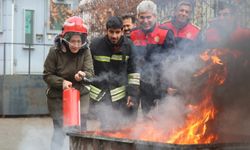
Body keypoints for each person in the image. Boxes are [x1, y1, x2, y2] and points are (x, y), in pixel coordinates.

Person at [43, 16, 94, 150]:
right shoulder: (54, 51)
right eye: (73, 41)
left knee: (80, 130)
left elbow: (90, 72)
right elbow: (47, 75)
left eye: (79, 41)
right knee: (60, 130)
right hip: (58, 95)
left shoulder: (86, 50)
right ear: (65, 38)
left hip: (80, 94)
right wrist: (62, 82)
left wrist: (83, 75)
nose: (76, 45)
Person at [88, 16, 140, 130]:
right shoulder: (95, 45)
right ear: (106, 31)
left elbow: (134, 72)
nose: (114, 36)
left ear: (122, 31)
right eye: (111, 32)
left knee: (121, 128)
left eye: (117, 32)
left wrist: (132, 94)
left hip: (120, 97)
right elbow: (88, 70)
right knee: (105, 128)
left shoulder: (129, 46)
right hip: (99, 97)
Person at [130, 0, 176, 115]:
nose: (145, 21)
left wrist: (169, 85)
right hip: (139, 82)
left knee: (158, 118)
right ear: (138, 17)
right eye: (142, 17)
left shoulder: (165, 33)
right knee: (138, 117)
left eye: (149, 17)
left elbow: (172, 62)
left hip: (159, 83)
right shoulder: (132, 34)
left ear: (155, 16)